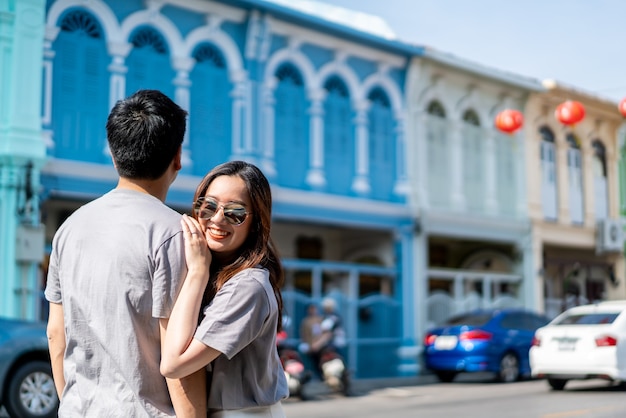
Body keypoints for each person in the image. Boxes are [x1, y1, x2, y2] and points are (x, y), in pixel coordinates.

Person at [45, 89, 206, 417]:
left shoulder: (69, 229)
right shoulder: (179, 235)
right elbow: (178, 359)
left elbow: (55, 333)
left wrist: (72, 403)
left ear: (114, 154)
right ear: (177, 158)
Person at [160, 160, 289, 418]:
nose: (217, 219)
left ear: (255, 222)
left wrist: (197, 271)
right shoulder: (215, 274)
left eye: (235, 212)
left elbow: (174, 365)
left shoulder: (248, 286)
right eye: (208, 206)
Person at [298, 303, 324, 376]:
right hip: (311, 345)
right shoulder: (306, 321)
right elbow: (304, 334)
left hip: (321, 345)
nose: (312, 311)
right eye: (311, 309)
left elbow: (325, 333)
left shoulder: (321, 319)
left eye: (314, 309)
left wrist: (318, 343)